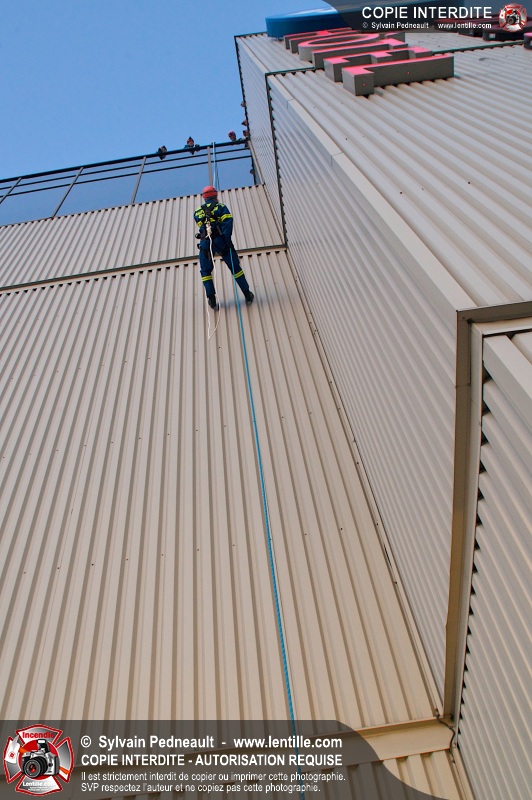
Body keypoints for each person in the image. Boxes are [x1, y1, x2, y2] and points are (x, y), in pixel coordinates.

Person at [194, 186, 254, 310]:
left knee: (205, 271)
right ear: (215, 196)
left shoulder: (197, 212)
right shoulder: (221, 207)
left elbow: (201, 227)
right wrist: (226, 241)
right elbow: (228, 223)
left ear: (204, 198)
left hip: (205, 243)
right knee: (235, 267)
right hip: (220, 240)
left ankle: (211, 299)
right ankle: (247, 294)